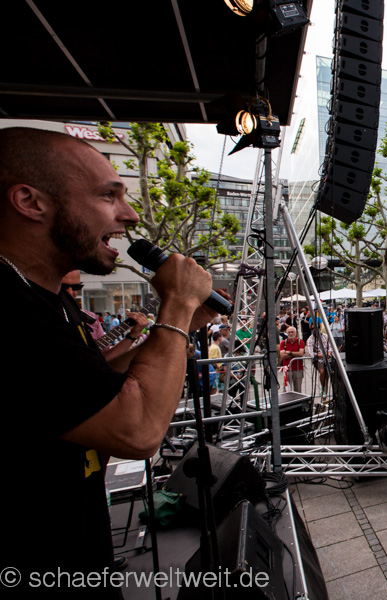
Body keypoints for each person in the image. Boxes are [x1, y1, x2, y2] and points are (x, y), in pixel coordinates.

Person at [0, 127, 218, 593]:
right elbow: (137, 430)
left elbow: (96, 389)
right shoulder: (8, 311)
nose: (129, 214)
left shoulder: (52, 299)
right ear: (30, 202)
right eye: (108, 195)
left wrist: (179, 325)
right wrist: (177, 307)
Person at [279, 326, 305, 393]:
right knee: (286, 389)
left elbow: (301, 354)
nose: (290, 334)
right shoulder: (283, 343)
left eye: (292, 332)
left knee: (298, 389)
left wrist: (289, 352)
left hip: (298, 369)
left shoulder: (300, 342)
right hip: (287, 369)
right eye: (289, 332)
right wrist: (295, 354)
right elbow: (283, 356)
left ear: (296, 333)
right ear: (286, 333)